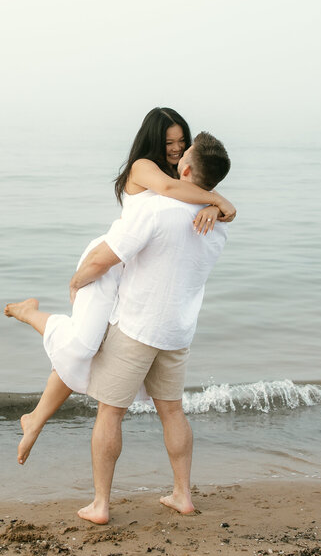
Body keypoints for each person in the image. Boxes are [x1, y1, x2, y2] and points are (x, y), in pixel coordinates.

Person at [3, 108, 235, 465]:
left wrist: (216, 206)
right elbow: (175, 190)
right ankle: (30, 315)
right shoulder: (145, 167)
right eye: (169, 142)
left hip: (137, 271)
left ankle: (34, 418)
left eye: (182, 142)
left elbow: (193, 192)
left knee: (90, 350)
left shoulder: (186, 180)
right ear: (154, 140)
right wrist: (217, 200)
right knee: (81, 344)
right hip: (109, 261)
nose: (176, 149)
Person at [70, 131, 231, 525]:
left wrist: (76, 282)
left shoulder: (156, 210)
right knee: (173, 412)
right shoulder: (219, 225)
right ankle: (182, 494)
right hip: (178, 333)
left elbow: (104, 259)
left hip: (138, 328)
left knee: (109, 414)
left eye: (182, 155)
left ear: (187, 168)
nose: (175, 157)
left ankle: (101, 505)